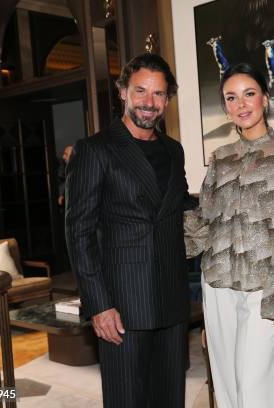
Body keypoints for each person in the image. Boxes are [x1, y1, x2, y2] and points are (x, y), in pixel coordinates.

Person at [185, 63, 274, 407]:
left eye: (249, 94)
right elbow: (205, 220)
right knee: (228, 383)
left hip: (267, 286)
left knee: (254, 384)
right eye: (231, 98)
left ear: (264, 99)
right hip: (218, 282)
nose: (241, 104)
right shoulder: (221, 157)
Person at [65, 53, 193, 408]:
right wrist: (99, 304)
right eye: (141, 91)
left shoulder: (174, 151)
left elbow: (181, 208)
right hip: (123, 305)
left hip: (171, 298)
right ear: (123, 92)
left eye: (158, 94)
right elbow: (80, 234)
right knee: (127, 400)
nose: (149, 103)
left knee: (170, 399)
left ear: (167, 100)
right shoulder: (94, 150)